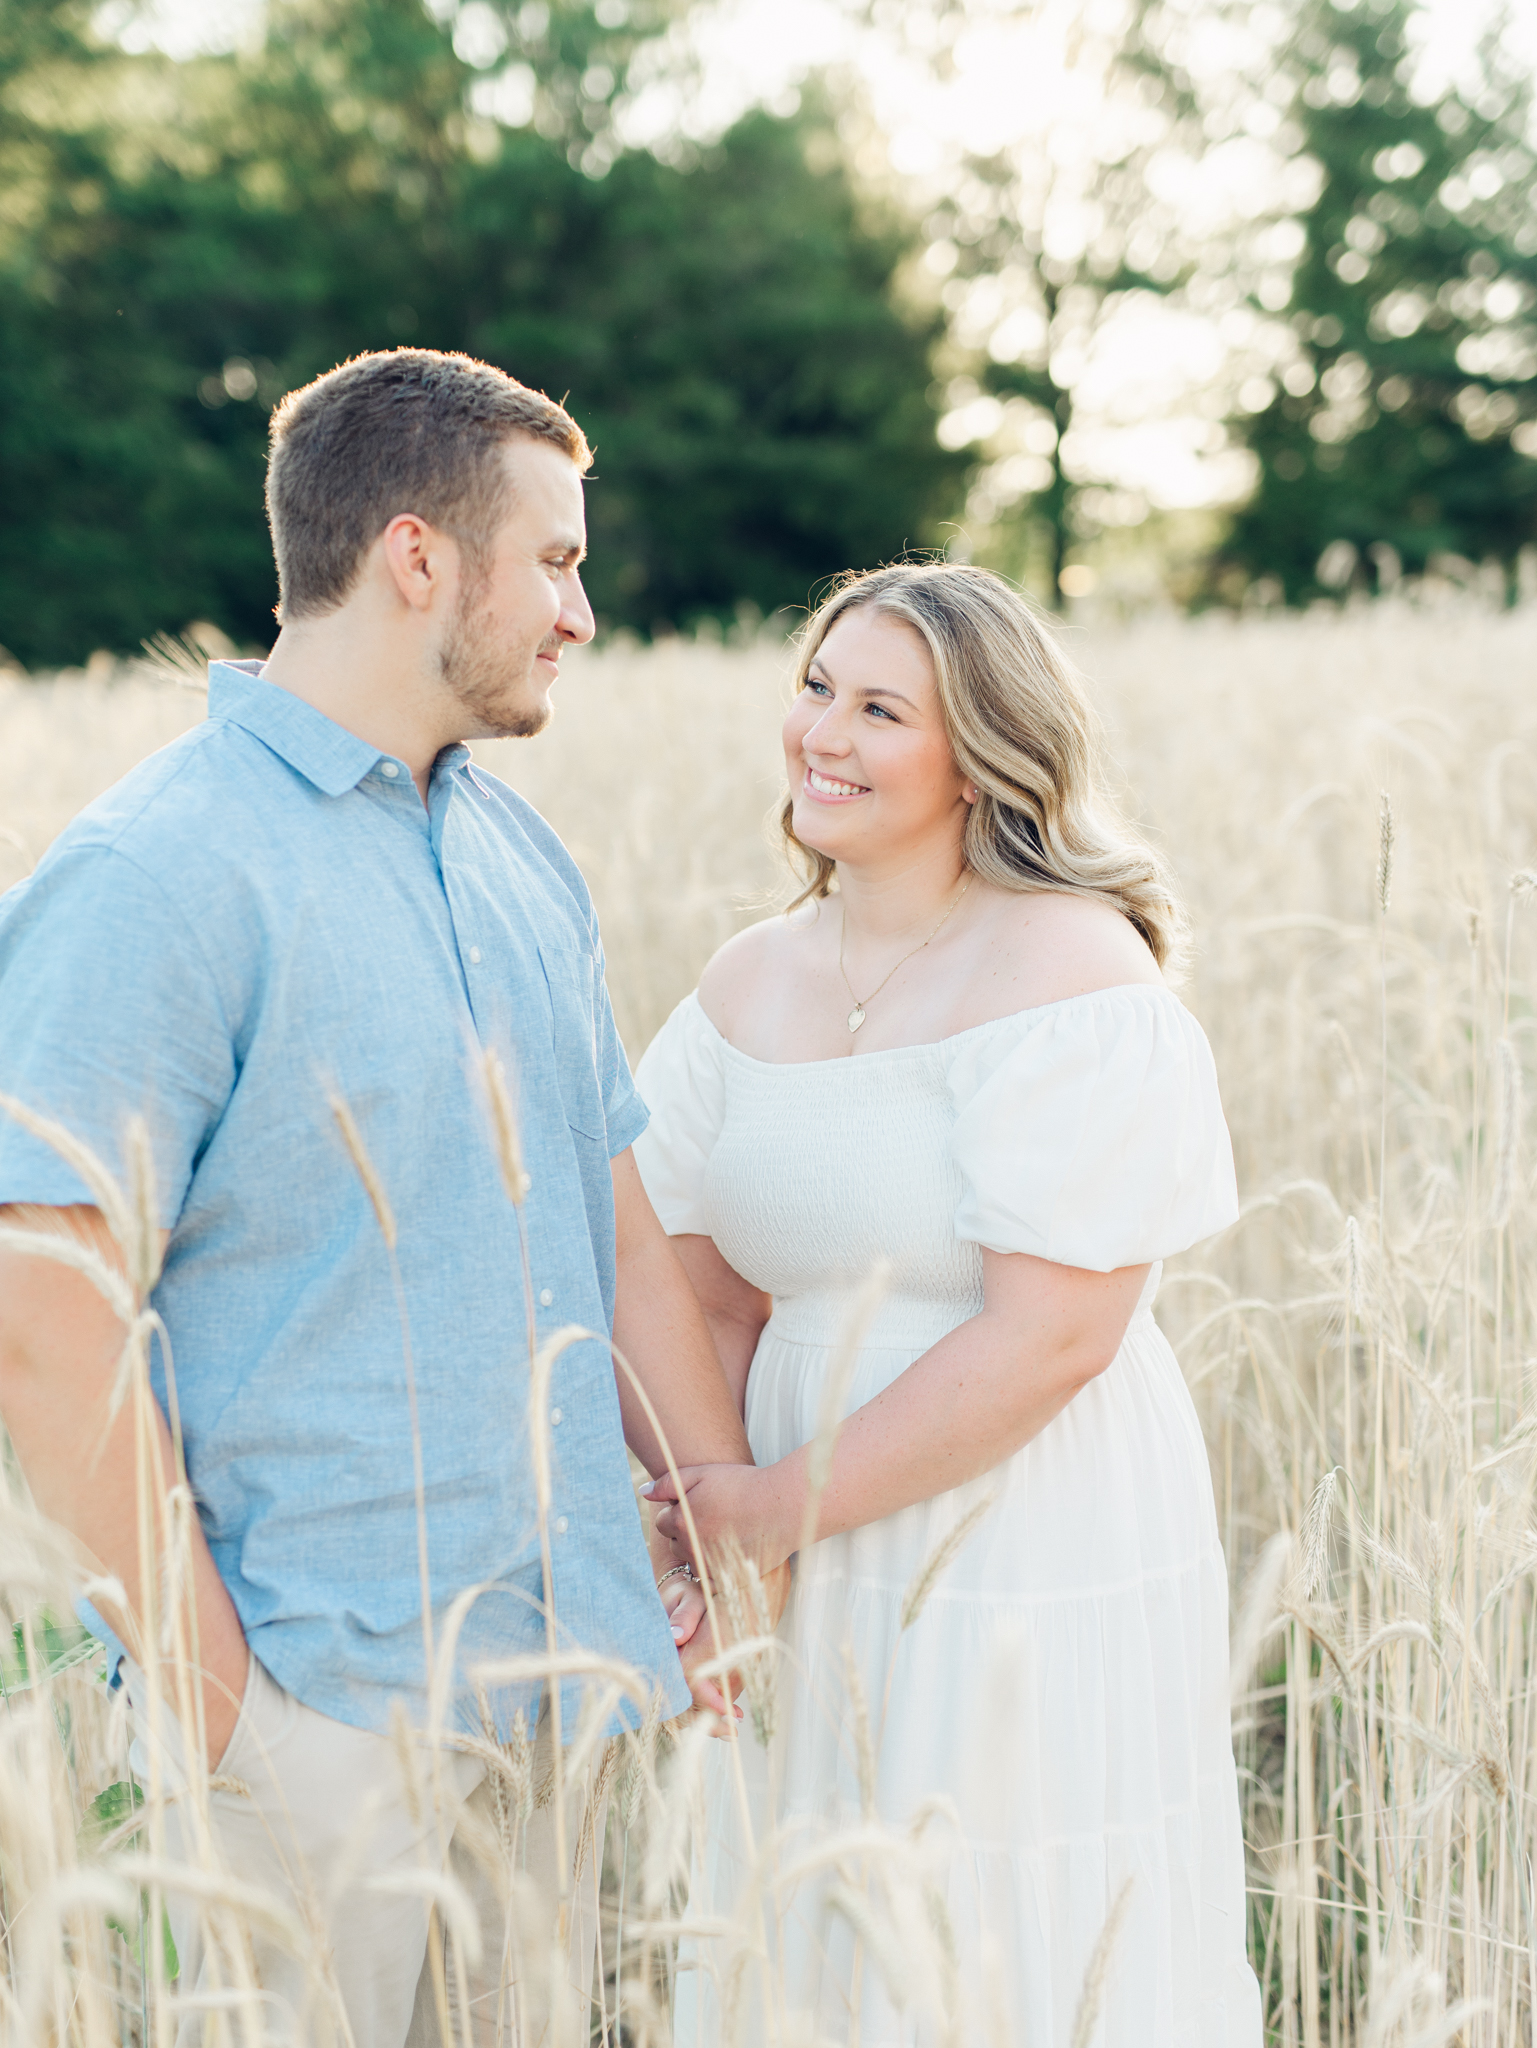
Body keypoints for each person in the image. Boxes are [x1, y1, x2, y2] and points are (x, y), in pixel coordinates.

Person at [0, 348, 758, 2047]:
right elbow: (37, 1308)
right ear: (418, 557)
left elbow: (615, 1230)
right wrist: (223, 1710)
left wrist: (713, 1541)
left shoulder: (513, 852)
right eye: (553, 559)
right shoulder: (156, 871)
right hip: (311, 1714)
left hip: (553, 1692)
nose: (577, 610)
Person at [633, 562, 1263, 2044]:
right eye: (812, 688)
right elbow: (692, 1288)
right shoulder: (749, 980)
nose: (820, 734)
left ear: (980, 756)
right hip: (777, 1516)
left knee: (1004, 1902)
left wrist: (779, 1503)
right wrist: (713, 1530)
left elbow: (1055, 1335)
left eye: (876, 708)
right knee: (803, 1912)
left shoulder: (1074, 974)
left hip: (1014, 1511)